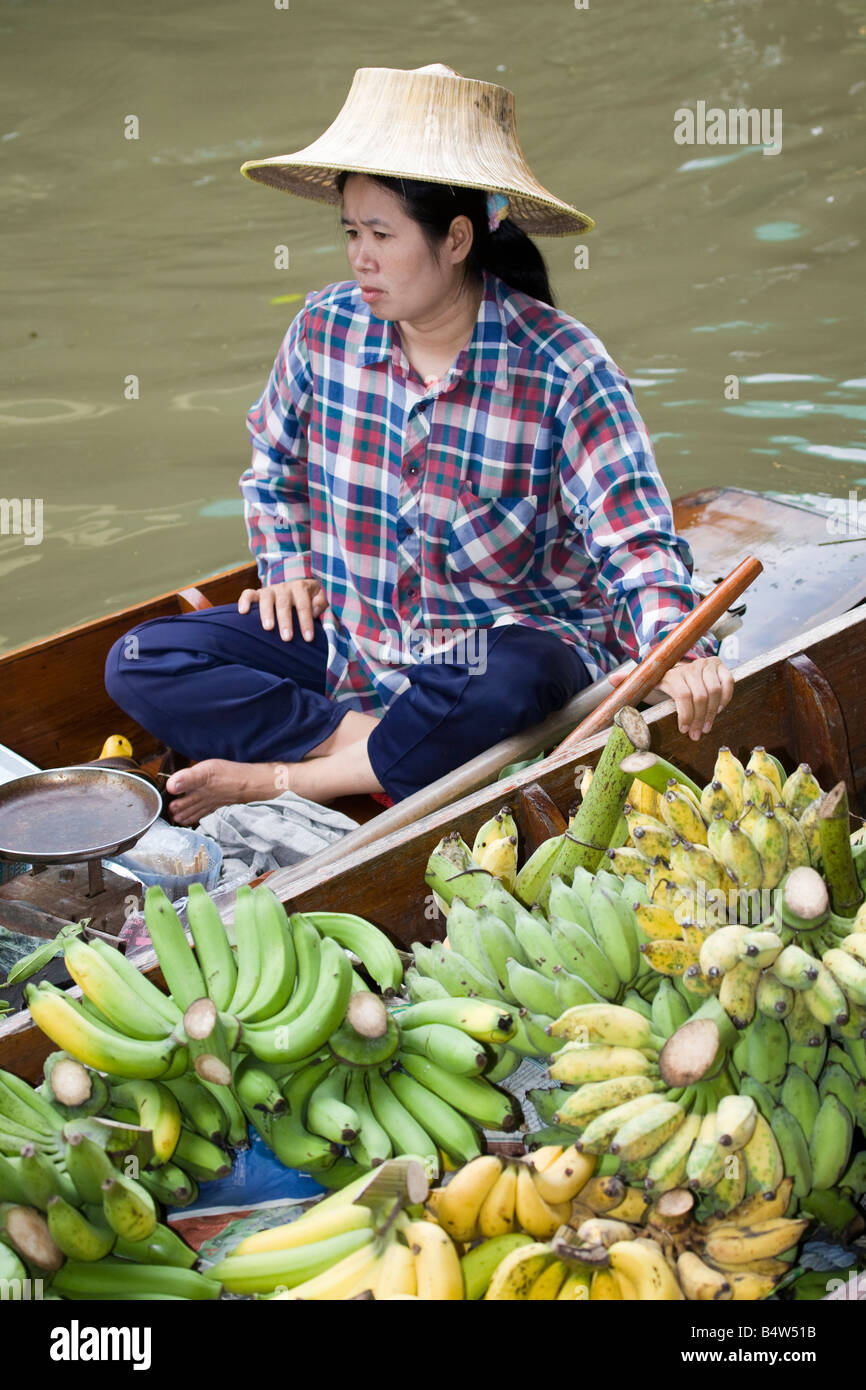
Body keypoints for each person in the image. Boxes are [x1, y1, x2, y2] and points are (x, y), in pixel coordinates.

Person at [105, 63, 733, 828]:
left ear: (457, 238)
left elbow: (635, 542)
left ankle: (283, 781)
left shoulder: (566, 368)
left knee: (516, 674)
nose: (358, 258)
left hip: (477, 663)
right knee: (143, 660)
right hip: (353, 641)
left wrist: (680, 649)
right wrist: (290, 570)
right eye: (349, 232)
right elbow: (271, 470)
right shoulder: (323, 330)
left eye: (381, 235)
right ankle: (375, 753)